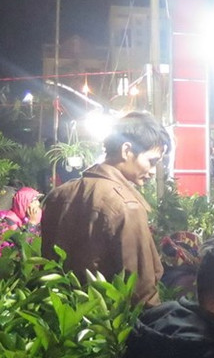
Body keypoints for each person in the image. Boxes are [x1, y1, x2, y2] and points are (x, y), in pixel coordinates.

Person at [41, 111, 170, 308]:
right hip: (107, 325)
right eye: (151, 161)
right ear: (126, 150)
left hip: (59, 319)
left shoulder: (58, 195)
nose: (153, 171)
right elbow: (141, 290)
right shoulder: (127, 206)